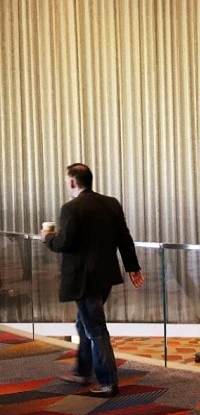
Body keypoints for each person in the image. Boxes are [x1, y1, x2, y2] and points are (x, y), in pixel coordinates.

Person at [42, 163, 144, 397]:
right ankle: (81, 370)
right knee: (84, 323)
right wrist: (133, 267)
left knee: (95, 329)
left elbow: (64, 243)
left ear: (72, 182)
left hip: (82, 280)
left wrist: (47, 238)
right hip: (105, 276)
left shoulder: (71, 208)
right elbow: (124, 238)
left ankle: (108, 382)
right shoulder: (111, 203)